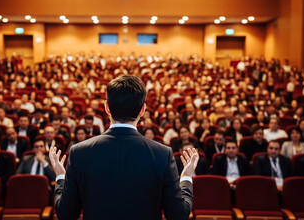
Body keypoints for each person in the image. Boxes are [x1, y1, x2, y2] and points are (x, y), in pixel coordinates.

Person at [49, 75, 198, 220]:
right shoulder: (162, 154)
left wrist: (61, 176)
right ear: (142, 110)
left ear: (107, 107)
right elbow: (178, 215)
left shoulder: (79, 152)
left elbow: (66, 214)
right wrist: (186, 177)